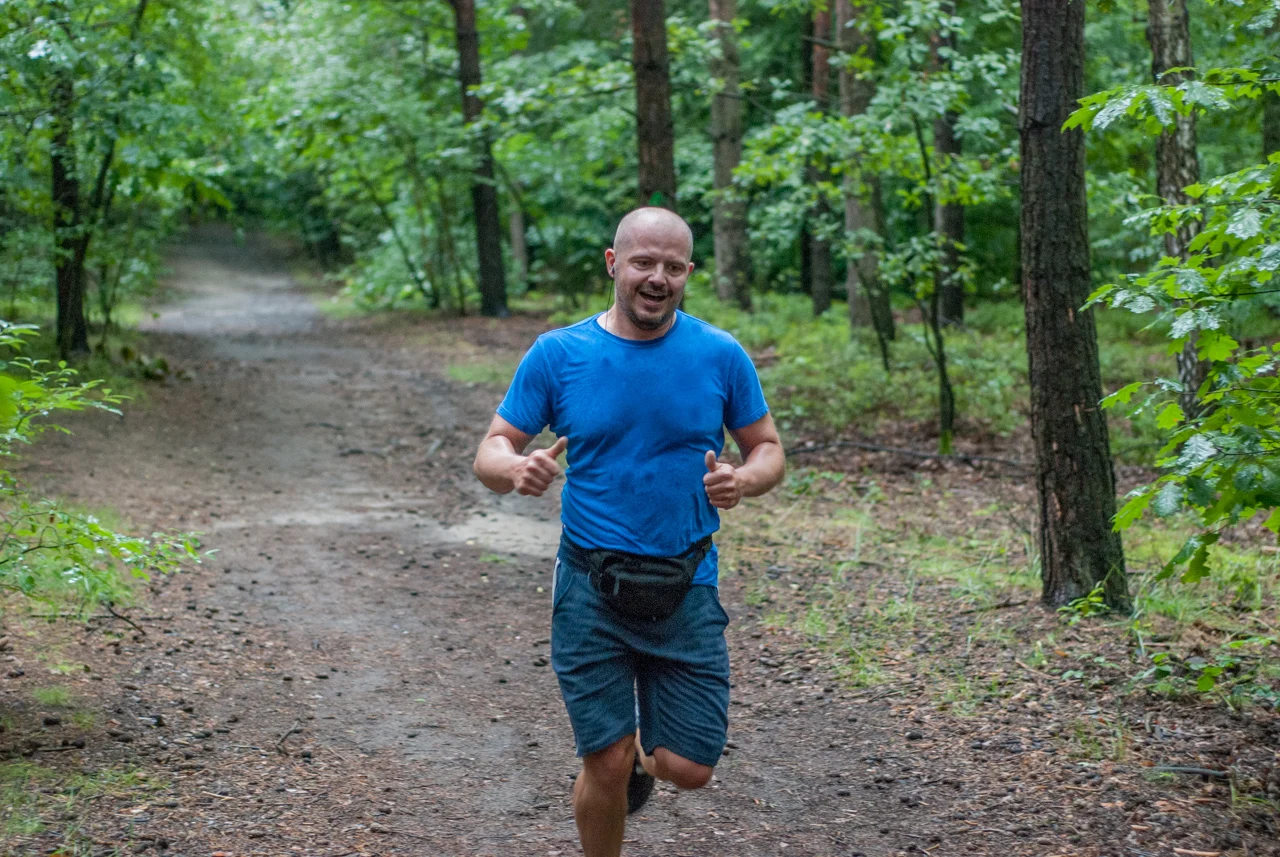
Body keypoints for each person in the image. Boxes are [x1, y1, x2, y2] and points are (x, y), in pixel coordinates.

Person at [472, 207, 785, 857]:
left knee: (688, 769)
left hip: (686, 581)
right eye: (643, 262)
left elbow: (768, 448)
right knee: (606, 761)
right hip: (591, 583)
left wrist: (744, 479)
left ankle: (646, 754)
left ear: (688, 273)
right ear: (614, 264)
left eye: (673, 267)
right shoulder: (559, 354)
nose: (657, 278)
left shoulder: (720, 354)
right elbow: (492, 449)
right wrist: (516, 468)